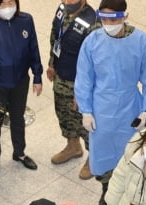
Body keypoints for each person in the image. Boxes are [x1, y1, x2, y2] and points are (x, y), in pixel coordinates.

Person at [74, 0, 146, 205]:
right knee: (103, 153)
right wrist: (86, 111)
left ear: (125, 16)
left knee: (131, 152)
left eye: (114, 19)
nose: (108, 23)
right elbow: (84, 79)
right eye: (104, 18)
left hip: (130, 106)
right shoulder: (92, 42)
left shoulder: (141, 42)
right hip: (101, 108)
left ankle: (130, 192)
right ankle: (107, 189)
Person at [0, 0, 42, 178]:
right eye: (2, 3)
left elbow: (33, 48)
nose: (7, 7)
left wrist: (37, 75)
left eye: (10, 2)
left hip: (20, 81)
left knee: (18, 118)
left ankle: (19, 153)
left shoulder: (26, 20)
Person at [47, 0, 95, 175]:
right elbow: (55, 37)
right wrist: (52, 63)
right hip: (61, 75)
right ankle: (73, 146)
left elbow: (93, 63)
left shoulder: (93, 23)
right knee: (64, 114)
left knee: (85, 123)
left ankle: (94, 159)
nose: (67, 2)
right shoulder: (62, 9)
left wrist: (83, 92)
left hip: (79, 83)